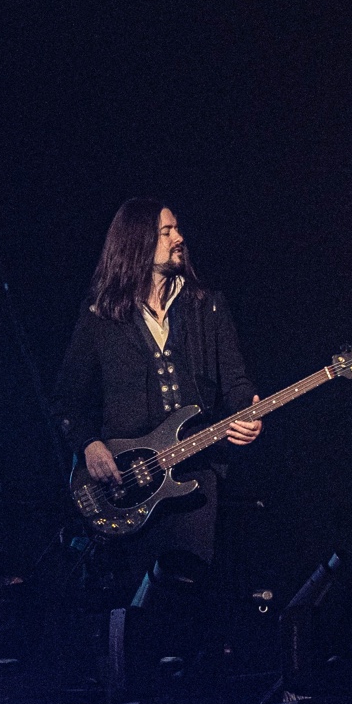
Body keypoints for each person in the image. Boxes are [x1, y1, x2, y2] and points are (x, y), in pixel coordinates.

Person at [52, 198, 262, 606]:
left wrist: (247, 411)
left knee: (187, 592)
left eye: (177, 229)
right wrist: (89, 445)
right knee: (137, 603)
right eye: (166, 232)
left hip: (195, 474)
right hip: (126, 484)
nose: (179, 238)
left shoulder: (206, 305)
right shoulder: (101, 316)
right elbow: (67, 400)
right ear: (138, 242)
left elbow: (235, 381)